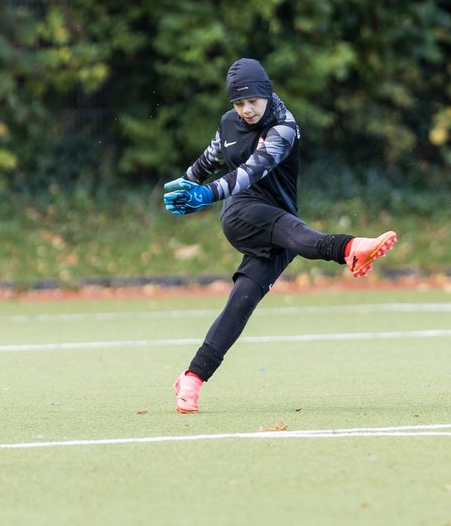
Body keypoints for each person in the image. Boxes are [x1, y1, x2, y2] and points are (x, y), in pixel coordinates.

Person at [163, 57, 398, 413]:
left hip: (278, 223)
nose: (245, 110)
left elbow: (252, 170)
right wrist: (187, 185)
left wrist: (206, 195)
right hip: (243, 214)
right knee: (295, 234)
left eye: (251, 101)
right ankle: (352, 247)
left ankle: (192, 378)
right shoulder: (229, 124)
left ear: (267, 94)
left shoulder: (284, 127)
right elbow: (207, 162)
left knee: (242, 302)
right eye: (238, 103)